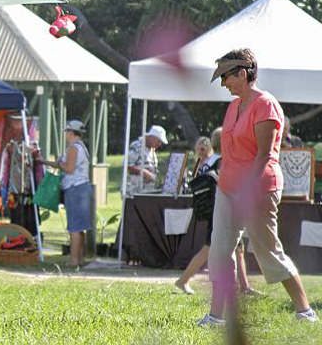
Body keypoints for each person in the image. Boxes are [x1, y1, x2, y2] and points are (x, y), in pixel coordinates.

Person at [198, 48, 316, 327]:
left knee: (267, 250)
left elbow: (263, 154)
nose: (223, 83)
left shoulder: (266, 104)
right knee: (219, 249)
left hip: (258, 188)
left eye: (225, 77)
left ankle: (304, 312)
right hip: (228, 188)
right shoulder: (231, 106)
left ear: (242, 73)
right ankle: (216, 316)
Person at [175, 134, 257, 295]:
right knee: (209, 247)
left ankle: (245, 286)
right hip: (221, 210)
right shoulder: (221, 161)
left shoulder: (208, 162)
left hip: (219, 209)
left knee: (238, 248)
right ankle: (183, 280)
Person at [36, 120, 92, 267]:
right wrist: (44, 162)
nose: (65, 135)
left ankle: (73, 260)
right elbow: (63, 164)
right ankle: (79, 259)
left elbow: (68, 168)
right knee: (80, 227)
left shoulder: (73, 148)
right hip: (82, 188)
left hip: (75, 189)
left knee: (74, 226)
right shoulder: (81, 147)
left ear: (71, 132)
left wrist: (59, 164)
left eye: (66, 132)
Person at [126, 125, 168, 195]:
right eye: (159, 141)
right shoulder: (136, 146)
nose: (159, 144)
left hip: (148, 190)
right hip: (134, 191)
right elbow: (128, 165)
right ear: (151, 137)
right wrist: (145, 173)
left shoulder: (152, 150)